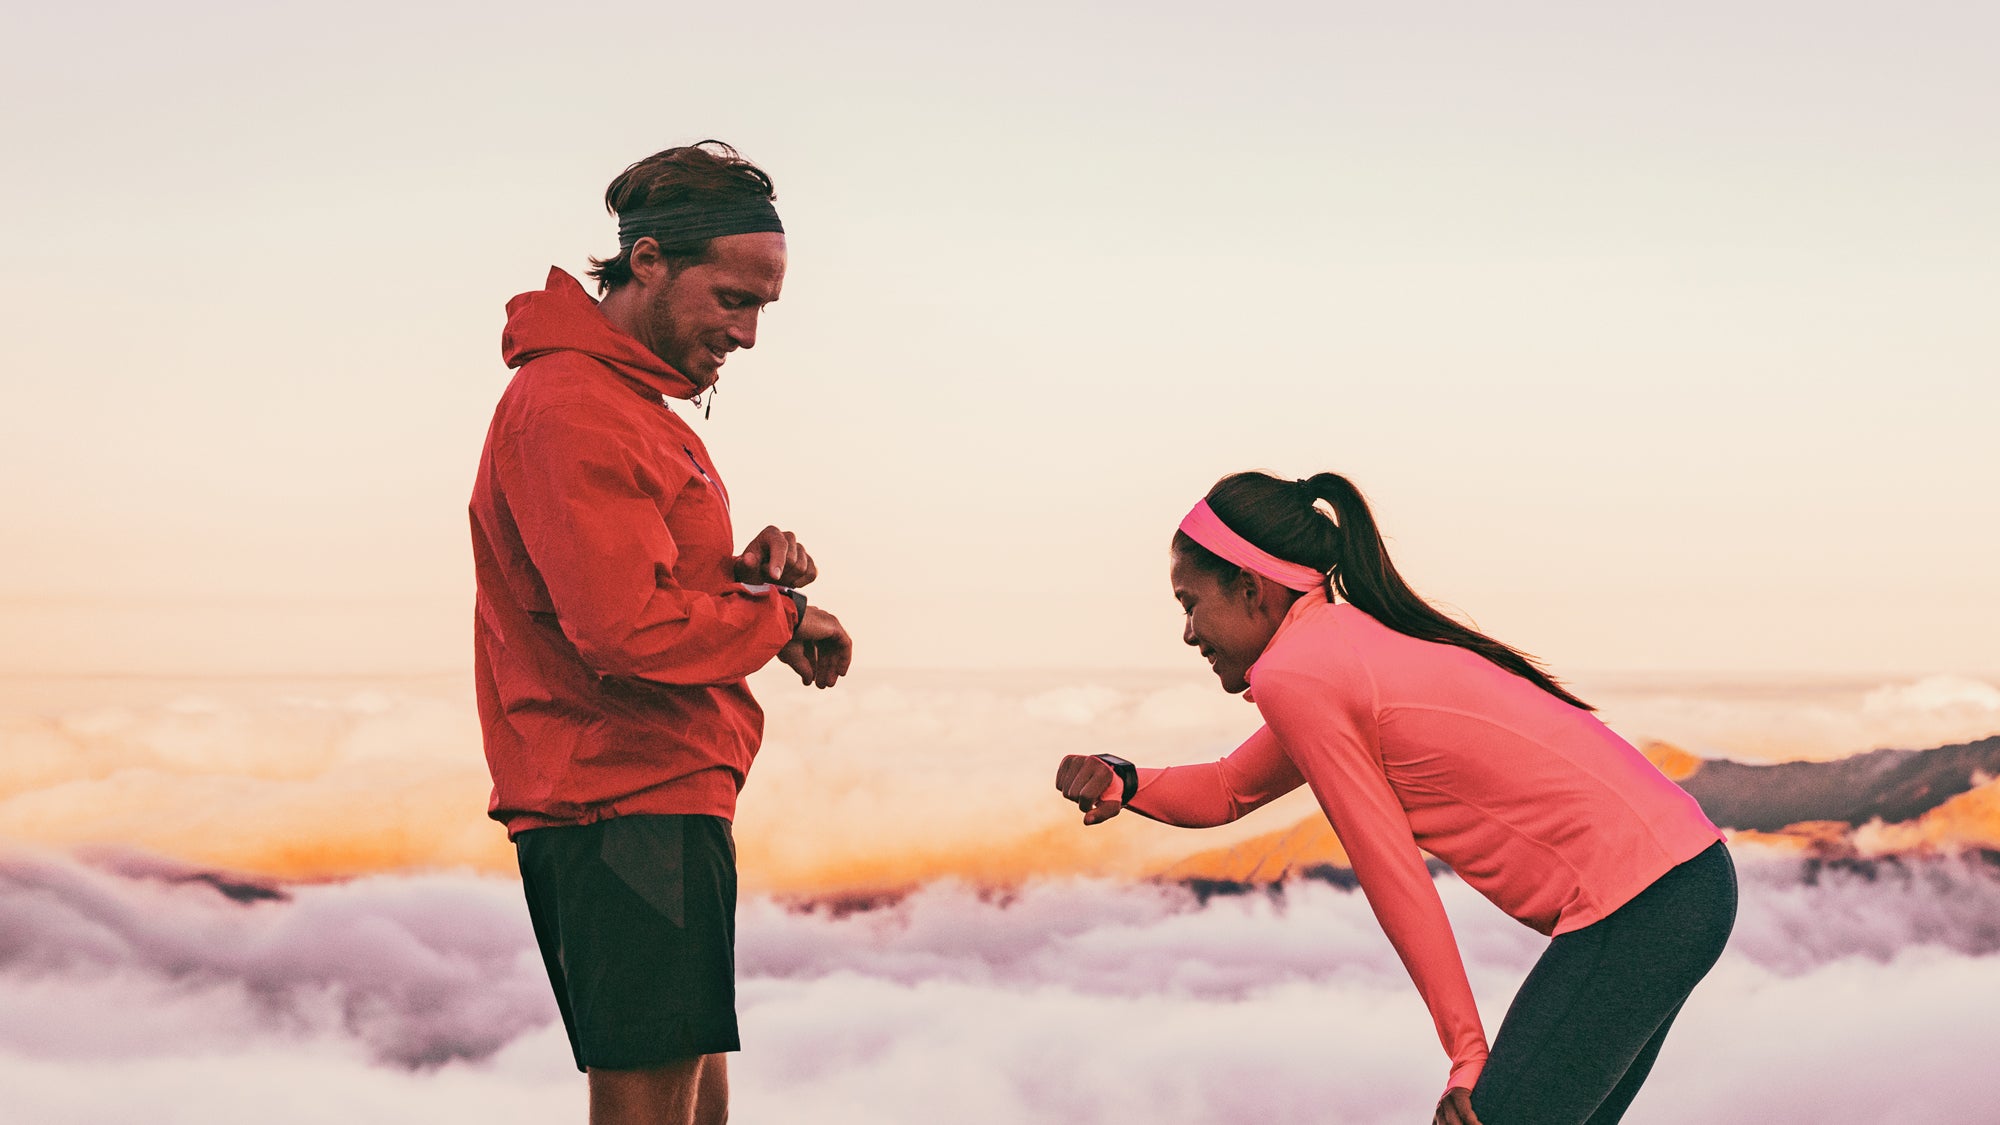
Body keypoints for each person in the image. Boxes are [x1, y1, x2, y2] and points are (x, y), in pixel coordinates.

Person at [1054, 471, 1734, 1125]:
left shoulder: (1302, 673)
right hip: (1685, 881)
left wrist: (1467, 1050)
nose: (1188, 633)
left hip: (1643, 900)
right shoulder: (1337, 647)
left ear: (1250, 587)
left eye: (1190, 603)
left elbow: (1391, 870)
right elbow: (1230, 788)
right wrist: (1125, 777)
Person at [470, 140, 852, 1125]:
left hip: (650, 797)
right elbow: (622, 630)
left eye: (760, 305)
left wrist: (742, 581)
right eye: (732, 298)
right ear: (646, 263)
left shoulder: (624, 406)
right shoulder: (574, 405)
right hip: (619, 804)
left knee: (696, 1106)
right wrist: (780, 617)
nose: (749, 332)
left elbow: (631, 590)